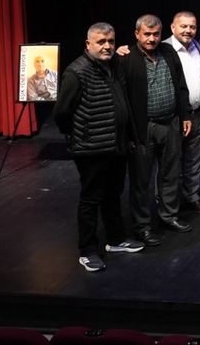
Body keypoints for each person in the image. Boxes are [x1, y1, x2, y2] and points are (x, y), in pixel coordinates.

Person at [53, 23, 144, 272]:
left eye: (111, 41)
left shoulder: (115, 65)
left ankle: (116, 239)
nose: (107, 46)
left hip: (116, 145)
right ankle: (87, 250)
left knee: (113, 193)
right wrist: (78, 136)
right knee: (91, 198)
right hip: (91, 148)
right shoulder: (77, 72)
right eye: (101, 42)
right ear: (88, 44)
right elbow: (61, 113)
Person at [117, 14, 193, 245]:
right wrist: (128, 132)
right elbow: (122, 98)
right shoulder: (126, 58)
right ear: (137, 34)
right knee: (141, 180)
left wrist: (185, 115)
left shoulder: (168, 52)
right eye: (147, 34)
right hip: (143, 127)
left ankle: (169, 216)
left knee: (170, 174)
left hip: (170, 123)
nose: (152, 39)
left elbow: (181, 85)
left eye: (156, 34)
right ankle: (142, 226)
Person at [164, 11, 200, 214]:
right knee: (170, 162)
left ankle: (192, 197)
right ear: (173, 27)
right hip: (175, 116)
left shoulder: (198, 47)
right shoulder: (163, 49)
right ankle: (168, 204)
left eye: (192, 27)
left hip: (197, 113)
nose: (188, 30)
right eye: (183, 26)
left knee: (194, 159)